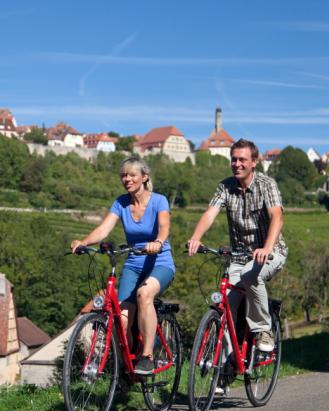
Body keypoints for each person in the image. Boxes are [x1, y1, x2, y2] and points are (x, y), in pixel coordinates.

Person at [70, 156, 175, 375]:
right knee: (122, 320)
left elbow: (164, 227)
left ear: (144, 177)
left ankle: (147, 356)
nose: (126, 179)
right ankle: (128, 367)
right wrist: (84, 242)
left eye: (131, 175)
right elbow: (103, 229)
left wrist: (157, 242)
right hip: (134, 263)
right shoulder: (121, 203)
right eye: (123, 175)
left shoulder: (159, 201)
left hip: (160, 262)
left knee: (144, 295)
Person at [187, 138, 287, 352]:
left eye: (242, 159)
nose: (237, 164)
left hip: (271, 252)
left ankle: (263, 330)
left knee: (251, 275)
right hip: (239, 256)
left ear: (254, 162)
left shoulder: (266, 184)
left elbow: (277, 217)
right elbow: (210, 214)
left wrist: (267, 247)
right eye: (234, 159)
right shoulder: (226, 186)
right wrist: (196, 237)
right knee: (225, 306)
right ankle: (226, 365)